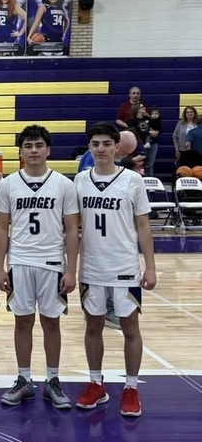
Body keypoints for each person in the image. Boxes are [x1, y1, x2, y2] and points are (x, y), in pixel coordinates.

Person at [74, 123, 157, 417]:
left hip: (124, 266)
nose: (100, 149)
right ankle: (96, 384)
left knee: (129, 328)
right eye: (95, 144)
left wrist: (150, 267)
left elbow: (143, 225)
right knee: (93, 327)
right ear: (89, 148)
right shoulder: (80, 181)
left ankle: (131, 388)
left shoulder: (132, 181)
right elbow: (71, 226)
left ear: (117, 147)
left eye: (106, 144)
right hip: (91, 266)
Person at [0, 125, 80, 409]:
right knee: (23, 321)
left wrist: (71, 269)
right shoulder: (8, 184)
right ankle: (24, 379)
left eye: (38, 145)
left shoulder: (64, 184)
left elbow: (71, 230)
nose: (33, 150)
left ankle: (52, 380)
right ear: (20, 151)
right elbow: (2, 227)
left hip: (53, 262)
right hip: (19, 261)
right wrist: (0, 266)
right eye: (28, 146)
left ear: (48, 150)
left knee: (51, 321)